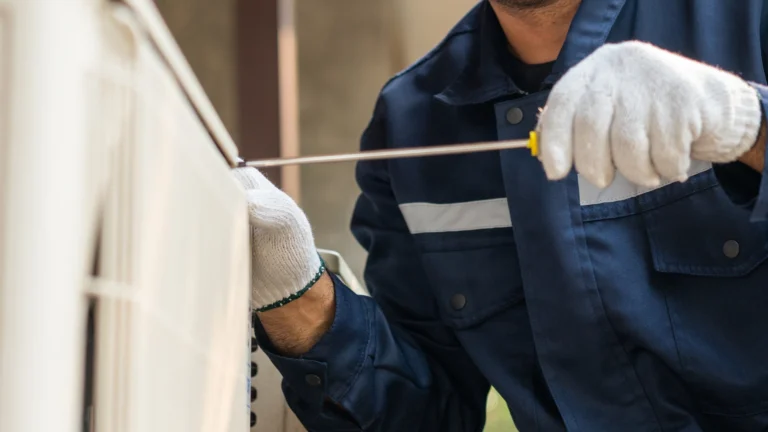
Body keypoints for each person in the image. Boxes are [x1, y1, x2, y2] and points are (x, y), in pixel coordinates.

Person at [235, 0, 768, 430]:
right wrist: (302, 298)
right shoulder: (412, 123)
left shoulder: (747, 18)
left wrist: (748, 122)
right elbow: (427, 415)